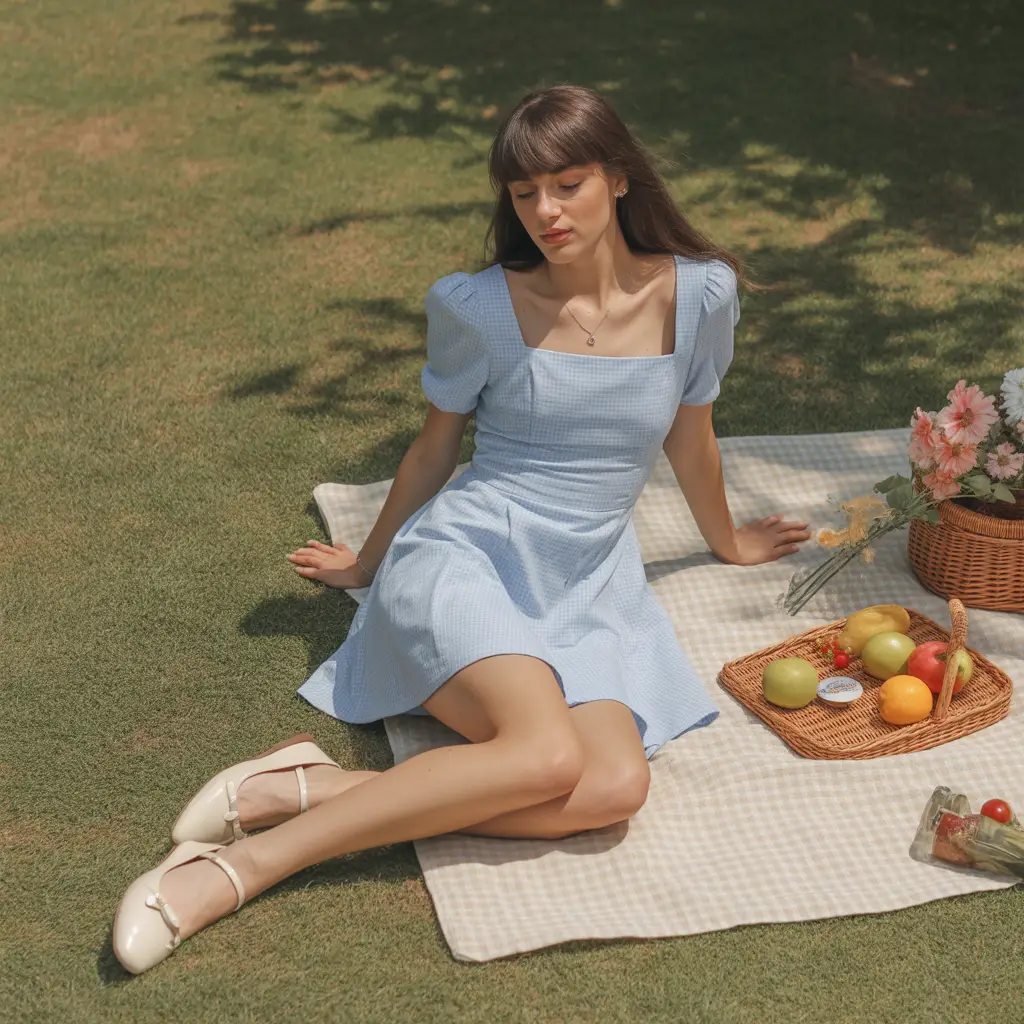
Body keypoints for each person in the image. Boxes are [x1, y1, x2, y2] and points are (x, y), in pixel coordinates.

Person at [112, 84, 810, 974]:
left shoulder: (702, 294)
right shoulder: (481, 305)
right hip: (471, 556)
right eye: (526, 194)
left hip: (590, 580)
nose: (547, 211)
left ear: (621, 178)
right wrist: (370, 562)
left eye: (569, 184)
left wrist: (729, 541)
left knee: (612, 787)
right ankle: (239, 866)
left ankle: (305, 786)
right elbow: (435, 449)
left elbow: (692, 433)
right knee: (546, 756)